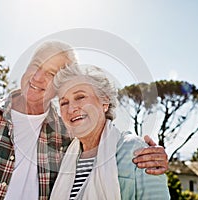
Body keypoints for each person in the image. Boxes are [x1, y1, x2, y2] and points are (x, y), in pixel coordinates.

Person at [0, 41, 168, 200]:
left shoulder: (65, 132)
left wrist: (154, 155)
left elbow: (109, 142)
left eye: (51, 73)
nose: (37, 77)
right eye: (36, 66)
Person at [50, 64, 170, 199]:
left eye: (80, 97)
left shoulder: (137, 150)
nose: (71, 109)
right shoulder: (63, 157)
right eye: (64, 103)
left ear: (105, 101)